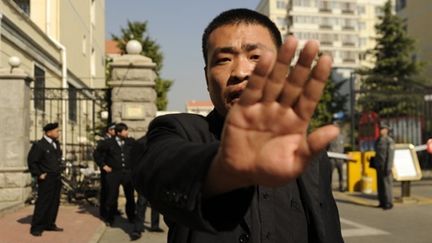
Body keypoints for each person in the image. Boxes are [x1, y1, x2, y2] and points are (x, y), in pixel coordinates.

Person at [134, 8, 343, 242]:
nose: (240, 72)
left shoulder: (311, 157)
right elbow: (155, 170)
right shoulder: (180, 131)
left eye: (256, 57)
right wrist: (224, 168)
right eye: (223, 60)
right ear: (207, 78)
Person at [93, 122, 136, 226]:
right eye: (125, 131)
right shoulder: (108, 143)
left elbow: (138, 151)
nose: (127, 132)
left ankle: (131, 216)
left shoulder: (130, 142)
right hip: (113, 173)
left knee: (130, 196)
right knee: (111, 196)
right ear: (118, 132)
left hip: (127, 173)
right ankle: (109, 218)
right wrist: (103, 165)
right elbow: (96, 154)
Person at [27, 122, 64, 236]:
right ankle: (37, 227)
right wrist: (38, 174)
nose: (58, 133)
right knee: (43, 203)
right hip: (46, 178)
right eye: (57, 131)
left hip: (56, 177)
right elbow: (32, 161)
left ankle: (49, 224)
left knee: (54, 202)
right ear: (49, 132)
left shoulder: (55, 143)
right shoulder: (39, 145)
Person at [93, 122, 118, 220]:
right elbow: (97, 155)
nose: (115, 132)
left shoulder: (115, 140)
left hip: (114, 170)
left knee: (114, 191)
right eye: (114, 130)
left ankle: (113, 210)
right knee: (106, 191)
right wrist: (103, 165)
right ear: (109, 131)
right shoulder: (103, 141)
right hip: (106, 170)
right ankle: (104, 212)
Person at [375, 123, 395, 210]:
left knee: (387, 185)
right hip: (379, 165)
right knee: (380, 185)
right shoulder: (378, 140)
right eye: (380, 129)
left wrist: (389, 167)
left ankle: (389, 202)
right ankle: (382, 201)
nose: (381, 131)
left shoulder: (389, 141)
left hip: (385, 165)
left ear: (386, 130)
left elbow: (390, 155)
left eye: (383, 129)